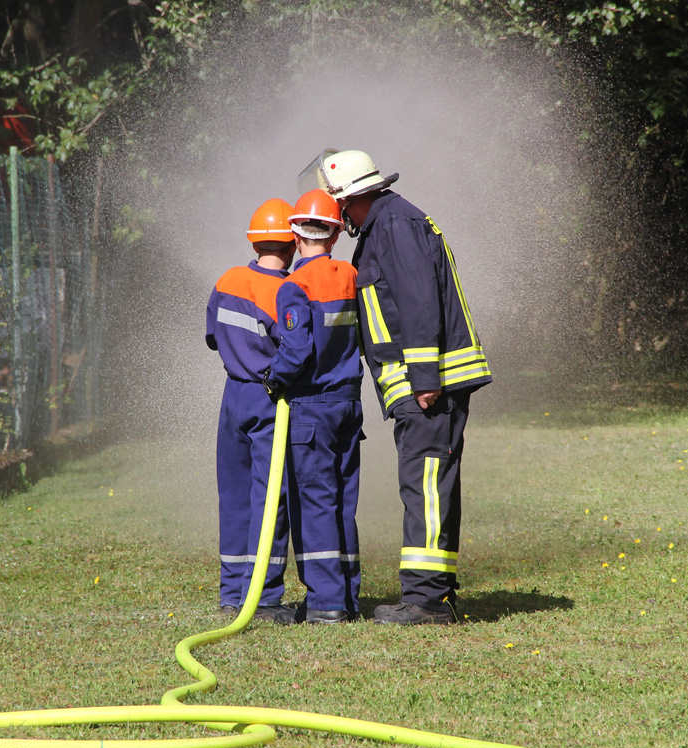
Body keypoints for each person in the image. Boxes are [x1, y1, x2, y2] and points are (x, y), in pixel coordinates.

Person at [297, 149, 492, 625]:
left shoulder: (394, 225)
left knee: (425, 486)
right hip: (418, 384)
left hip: (426, 384)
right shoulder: (388, 223)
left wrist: (424, 379)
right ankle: (433, 593)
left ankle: (425, 601)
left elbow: (419, 302)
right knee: (429, 485)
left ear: (346, 199)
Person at [262, 189, 364, 624]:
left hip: (311, 407)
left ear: (296, 235)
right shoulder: (350, 275)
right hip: (348, 404)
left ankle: (326, 602)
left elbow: (297, 348)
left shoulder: (295, 286)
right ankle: (349, 597)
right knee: (343, 502)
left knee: (316, 502)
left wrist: (274, 378)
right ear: (336, 235)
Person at [205, 198, 298, 621]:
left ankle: (231, 593)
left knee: (234, 496)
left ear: (254, 241)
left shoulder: (227, 280)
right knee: (269, 498)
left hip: (232, 398)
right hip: (269, 398)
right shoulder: (286, 292)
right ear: (292, 245)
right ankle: (263, 598)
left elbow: (213, 336)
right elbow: (296, 352)